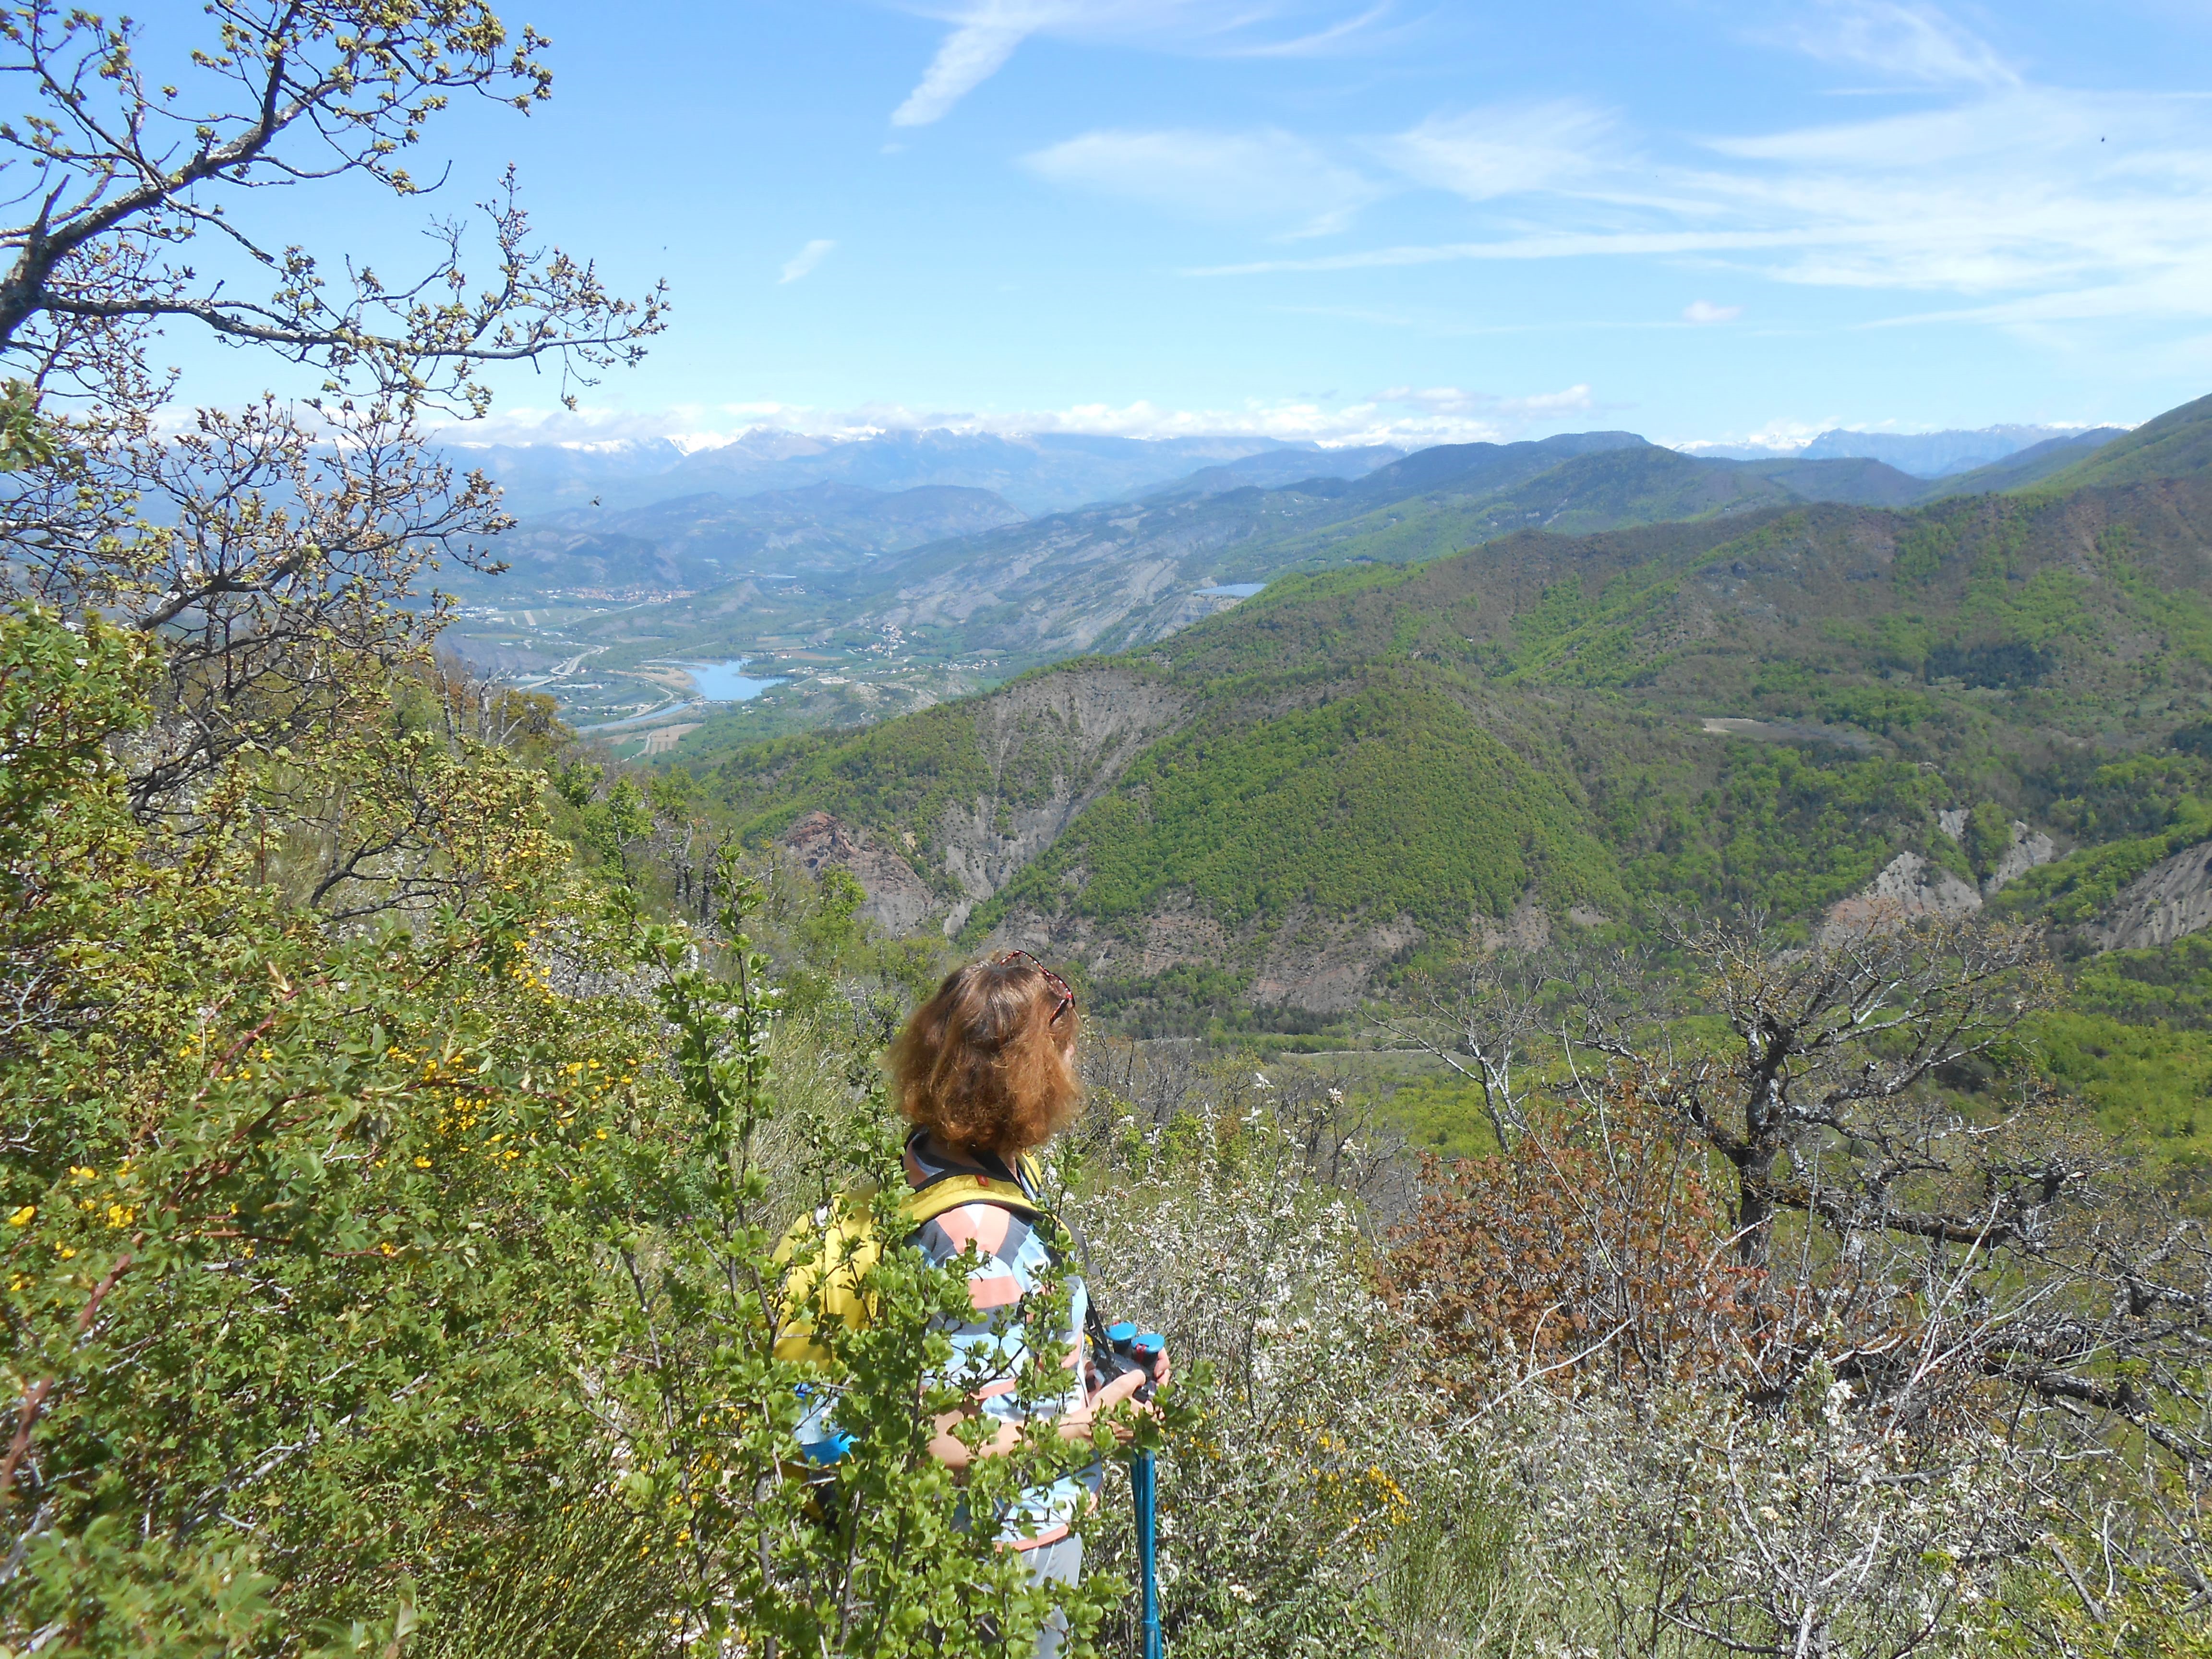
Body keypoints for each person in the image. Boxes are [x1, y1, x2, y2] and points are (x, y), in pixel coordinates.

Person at [888, 950, 1169, 1659]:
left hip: (1013, 1531)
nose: (1071, 1076)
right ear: (1025, 1078)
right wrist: (1093, 1431)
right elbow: (945, 1440)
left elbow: (996, 1347)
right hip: (998, 1551)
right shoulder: (977, 1231)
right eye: (1062, 1057)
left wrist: (1099, 1369)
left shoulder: (957, 1162)